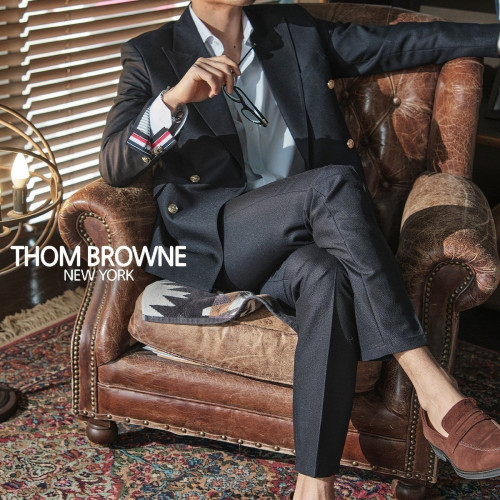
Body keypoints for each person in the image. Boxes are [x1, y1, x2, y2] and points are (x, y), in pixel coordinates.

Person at [99, 1, 500, 498]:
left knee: (326, 276)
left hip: (303, 239)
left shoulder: (291, 29)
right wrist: (173, 100)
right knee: (331, 185)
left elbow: (401, 43)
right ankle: (434, 390)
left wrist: (495, 38)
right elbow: (114, 166)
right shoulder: (151, 52)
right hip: (223, 240)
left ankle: (314, 485)